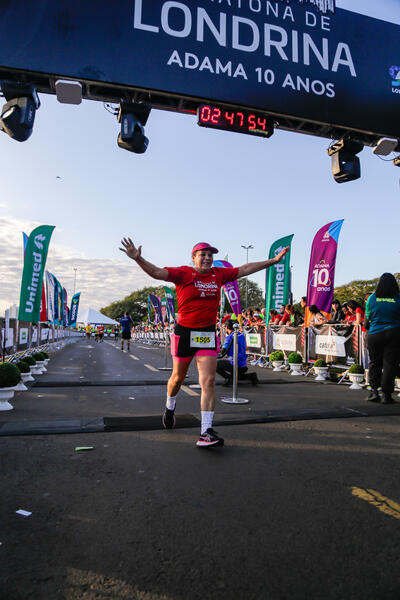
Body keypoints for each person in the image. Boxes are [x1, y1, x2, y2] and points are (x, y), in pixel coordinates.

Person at [120, 237, 289, 448]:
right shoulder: (183, 273)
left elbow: (245, 269)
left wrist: (272, 261)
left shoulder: (218, 274)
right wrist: (138, 258)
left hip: (207, 333)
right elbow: (157, 273)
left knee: (207, 381)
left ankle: (206, 431)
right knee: (177, 378)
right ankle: (170, 406)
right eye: (203, 254)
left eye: (211, 255)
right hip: (184, 332)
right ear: (193, 258)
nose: (208, 258)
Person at [364, 273, 400, 404]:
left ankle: (374, 392)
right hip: (394, 333)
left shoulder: (372, 298)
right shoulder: (398, 298)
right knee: (390, 364)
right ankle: (386, 394)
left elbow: (367, 320)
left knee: (374, 362)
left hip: (375, 334)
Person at [216, 319, 258, 385]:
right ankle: (251, 376)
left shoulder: (229, 337)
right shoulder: (241, 336)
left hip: (234, 364)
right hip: (243, 364)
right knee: (238, 377)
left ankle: (229, 378)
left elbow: (223, 352)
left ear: (227, 327)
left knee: (216, 365)